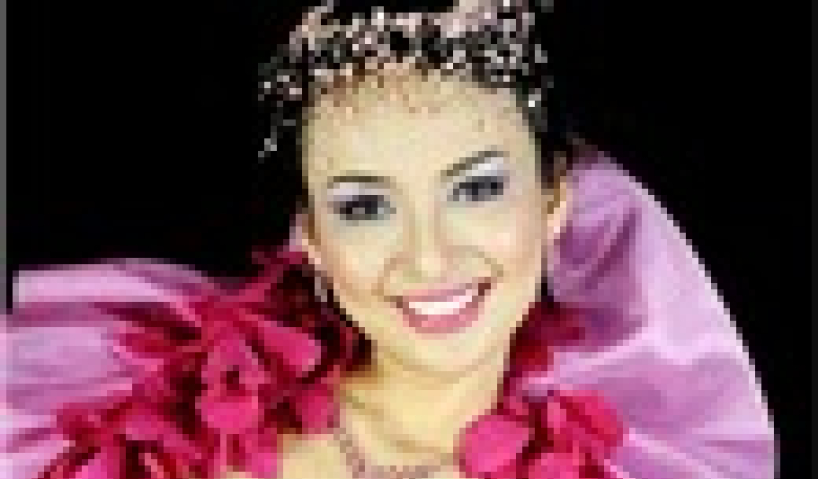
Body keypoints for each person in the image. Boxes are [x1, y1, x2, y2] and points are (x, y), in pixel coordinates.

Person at [4, 1, 777, 478]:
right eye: (366, 206)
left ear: (553, 204)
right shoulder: (164, 425)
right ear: (311, 238)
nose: (428, 258)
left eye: (476, 189)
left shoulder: (639, 466)